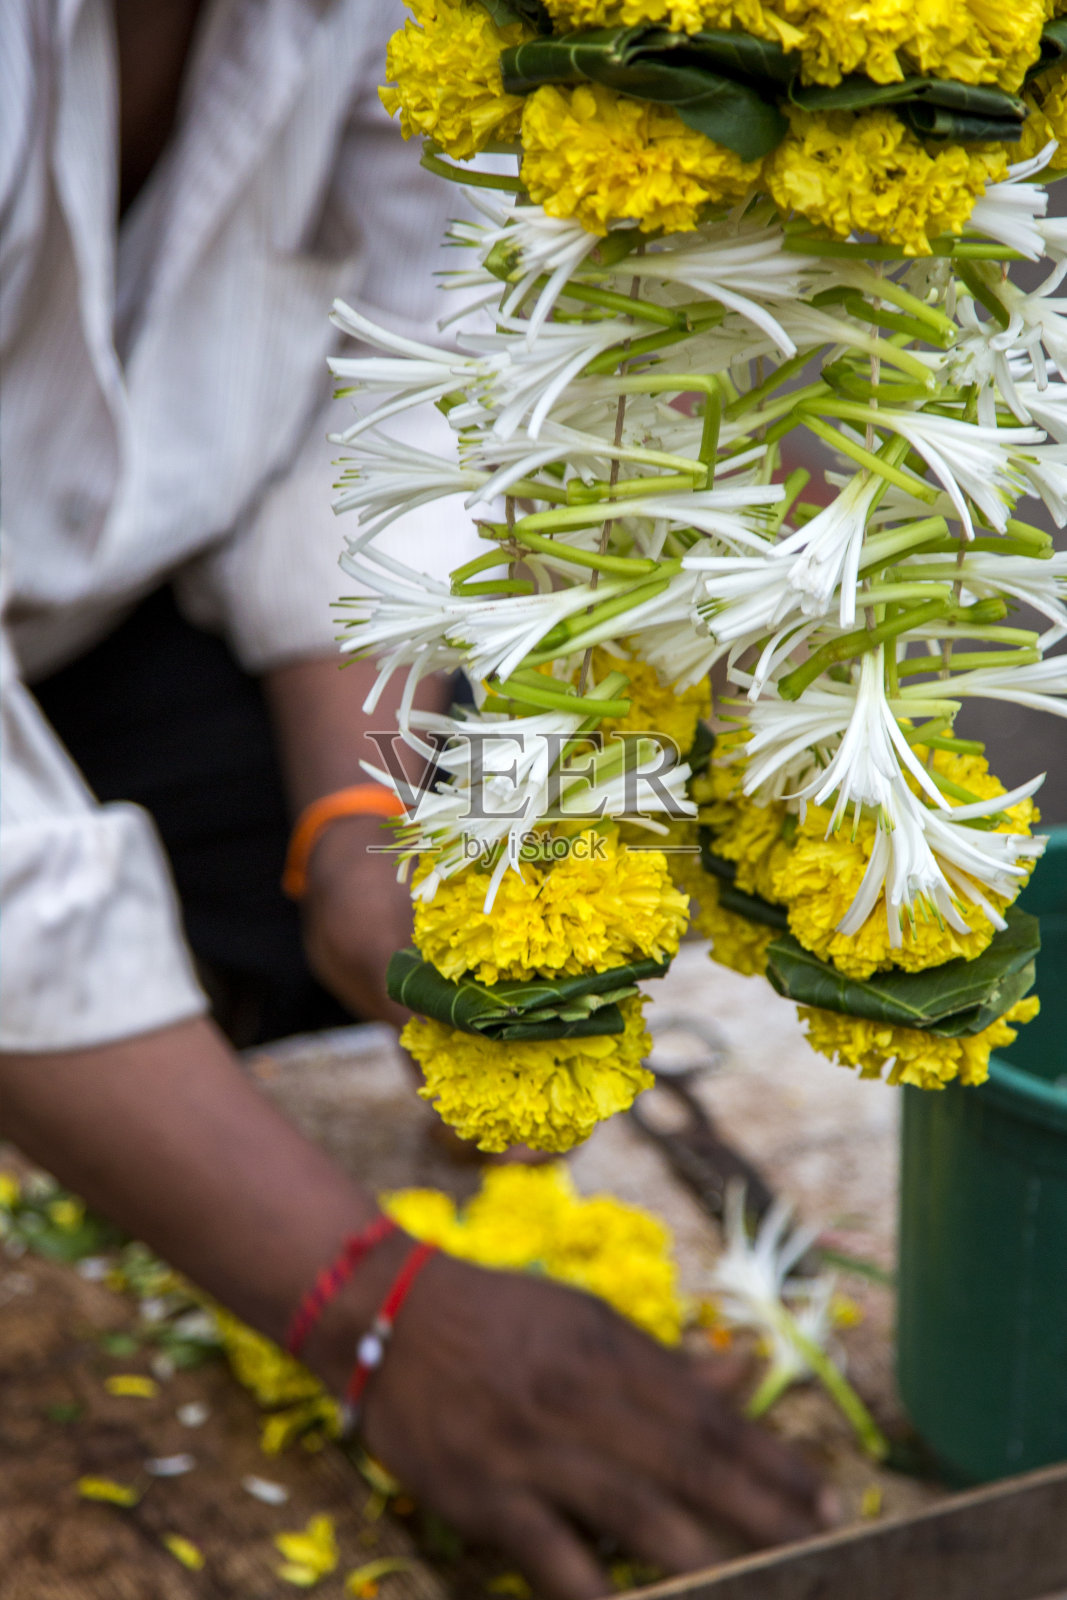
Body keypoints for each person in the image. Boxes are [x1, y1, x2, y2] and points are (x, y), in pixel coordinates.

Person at [0, 4, 833, 1594]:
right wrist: (368, 1307)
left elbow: (391, 364)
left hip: (97, 609)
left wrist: (358, 833)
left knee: (420, 779)